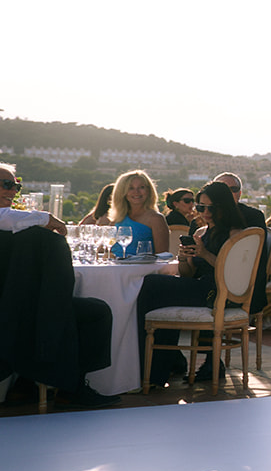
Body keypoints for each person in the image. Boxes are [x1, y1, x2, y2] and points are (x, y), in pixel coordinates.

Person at [0, 163, 120, 407]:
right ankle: (71, 389)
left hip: (20, 306)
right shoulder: (15, 221)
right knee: (91, 312)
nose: (12, 191)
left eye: (16, 186)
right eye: (6, 184)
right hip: (16, 309)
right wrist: (47, 218)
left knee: (60, 311)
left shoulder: (16, 222)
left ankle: (26, 383)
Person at [135, 180, 249, 387]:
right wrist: (183, 258)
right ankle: (158, 369)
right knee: (156, 291)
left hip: (218, 291)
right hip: (199, 287)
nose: (206, 212)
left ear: (223, 206)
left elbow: (231, 273)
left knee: (151, 285)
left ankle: (154, 369)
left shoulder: (235, 234)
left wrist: (204, 254)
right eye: (201, 207)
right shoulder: (200, 233)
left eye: (211, 208)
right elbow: (187, 274)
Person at [106, 170, 170, 256]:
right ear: (122, 192)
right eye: (131, 188)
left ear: (148, 190)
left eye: (141, 187)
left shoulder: (156, 219)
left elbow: (162, 256)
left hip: (142, 264)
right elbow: (108, 247)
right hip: (114, 263)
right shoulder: (118, 218)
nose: (136, 192)